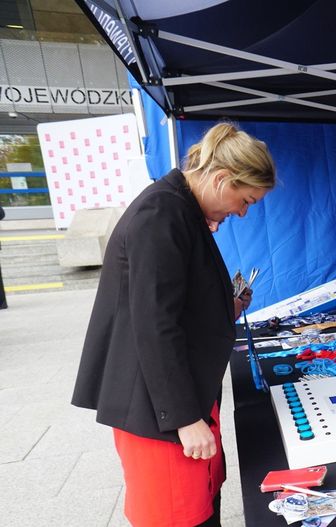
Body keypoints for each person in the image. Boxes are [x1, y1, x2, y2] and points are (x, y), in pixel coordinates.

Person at [71, 122, 275, 526]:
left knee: (202, 508)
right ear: (220, 179)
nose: (242, 212)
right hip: (159, 415)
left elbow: (179, 300)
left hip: (177, 401)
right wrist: (184, 417)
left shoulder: (180, 210)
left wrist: (226, 306)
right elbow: (153, 323)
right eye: (245, 199)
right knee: (179, 516)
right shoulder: (160, 214)